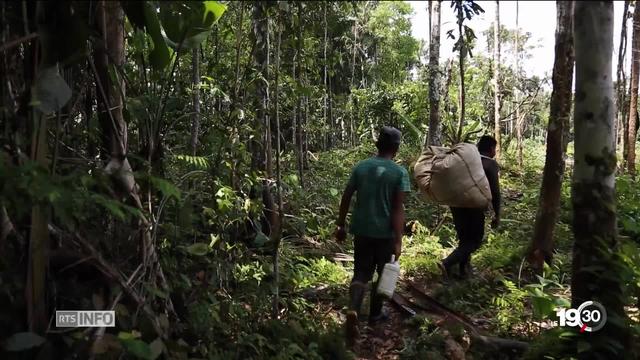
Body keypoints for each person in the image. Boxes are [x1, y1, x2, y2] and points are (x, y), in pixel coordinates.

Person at [334, 126, 411, 345]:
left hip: (362, 230)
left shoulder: (361, 167)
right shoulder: (399, 172)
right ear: (395, 148)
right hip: (385, 235)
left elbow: (346, 196)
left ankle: (353, 310)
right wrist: (398, 239)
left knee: (360, 273)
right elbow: (398, 209)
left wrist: (341, 224)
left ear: (378, 145)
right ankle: (375, 314)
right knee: (381, 274)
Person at [440, 135, 501, 279]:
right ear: (491, 148)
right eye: (495, 149)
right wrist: (497, 214)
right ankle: (447, 263)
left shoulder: (466, 161)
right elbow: (495, 192)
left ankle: (463, 270)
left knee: (464, 239)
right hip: (474, 206)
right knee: (475, 241)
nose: (495, 152)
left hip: (456, 203)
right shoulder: (490, 164)